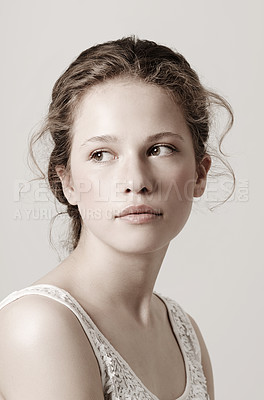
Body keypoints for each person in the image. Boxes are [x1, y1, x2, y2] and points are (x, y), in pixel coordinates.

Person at [0, 36, 233, 400]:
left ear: (200, 174)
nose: (136, 182)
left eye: (160, 149)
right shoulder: (40, 326)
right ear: (68, 181)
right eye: (101, 154)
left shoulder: (185, 334)